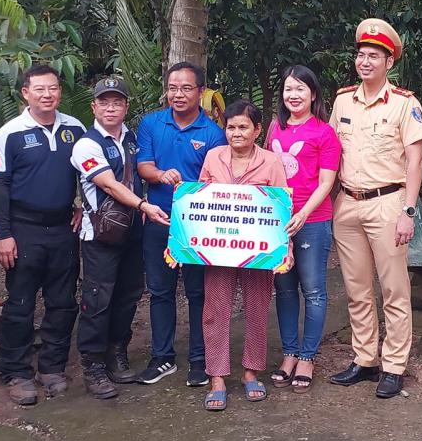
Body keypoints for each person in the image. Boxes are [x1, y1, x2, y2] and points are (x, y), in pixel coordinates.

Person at [328, 19, 422, 399]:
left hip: (388, 203)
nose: (365, 61)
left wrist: (408, 212)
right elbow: (330, 152)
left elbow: (415, 161)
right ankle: (364, 358)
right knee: (356, 288)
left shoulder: (405, 103)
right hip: (348, 204)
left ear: (389, 62)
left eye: (373, 56)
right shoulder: (342, 101)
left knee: (394, 289)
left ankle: (394, 365)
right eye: (361, 55)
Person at [0, 64, 86, 405]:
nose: (48, 95)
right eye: (40, 89)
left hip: (63, 229)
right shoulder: (10, 133)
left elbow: (88, 173)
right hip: (23, 230)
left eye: (53, 88)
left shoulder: (75, 129)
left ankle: (52, 367)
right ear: (25, 93)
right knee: (20, 304)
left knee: (62, 302)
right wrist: (3, 234)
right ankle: (16, 373)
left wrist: (81, 207)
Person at [69, 76, 170, 399]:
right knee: (98, 298)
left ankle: (117, 352)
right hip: (100, 232)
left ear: (126, 107)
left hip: (132, 230)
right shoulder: (87, 144)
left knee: (128, 294)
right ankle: (93, 365)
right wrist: (144, 204)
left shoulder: (130, 139)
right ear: (94, 107)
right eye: (104, 102)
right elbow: (109, 184)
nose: (110, 107)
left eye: (117, 102)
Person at [135, 62, 228, 386]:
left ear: (201, 92)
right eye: (173, 87)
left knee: (198, 292)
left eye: (186, 88)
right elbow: (143, 164)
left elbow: (217, 179)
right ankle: (162, 358)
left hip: (198, 227)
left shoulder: (214, 133)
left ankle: (200, 360)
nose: (178, 94)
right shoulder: (150, 123)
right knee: (160, 292)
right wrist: (160, 175)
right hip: (159, 220)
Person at [194, 100, 289, 410]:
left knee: (257, 308)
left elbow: (280, 207)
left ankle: (251, 372)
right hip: (218, 250)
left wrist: (283, 248)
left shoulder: (271, 162)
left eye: (243, 127)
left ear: (257, 130)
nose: (236, 133)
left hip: (257, 251)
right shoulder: (212, 157)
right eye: (231, 127)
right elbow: (201, 202)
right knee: (215, 311)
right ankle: (217, 376)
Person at [266, 66, 340, 394]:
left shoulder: (324, 133)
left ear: (313, 94)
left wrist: (303, 213)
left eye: (300, 89)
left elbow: (327, 182)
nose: (293, 95)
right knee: (283, 290)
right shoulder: (274, 129)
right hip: (277, 222)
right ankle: (289, 353)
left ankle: (308, 357)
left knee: (313, 291)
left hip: (313, 221)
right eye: (287, 89)